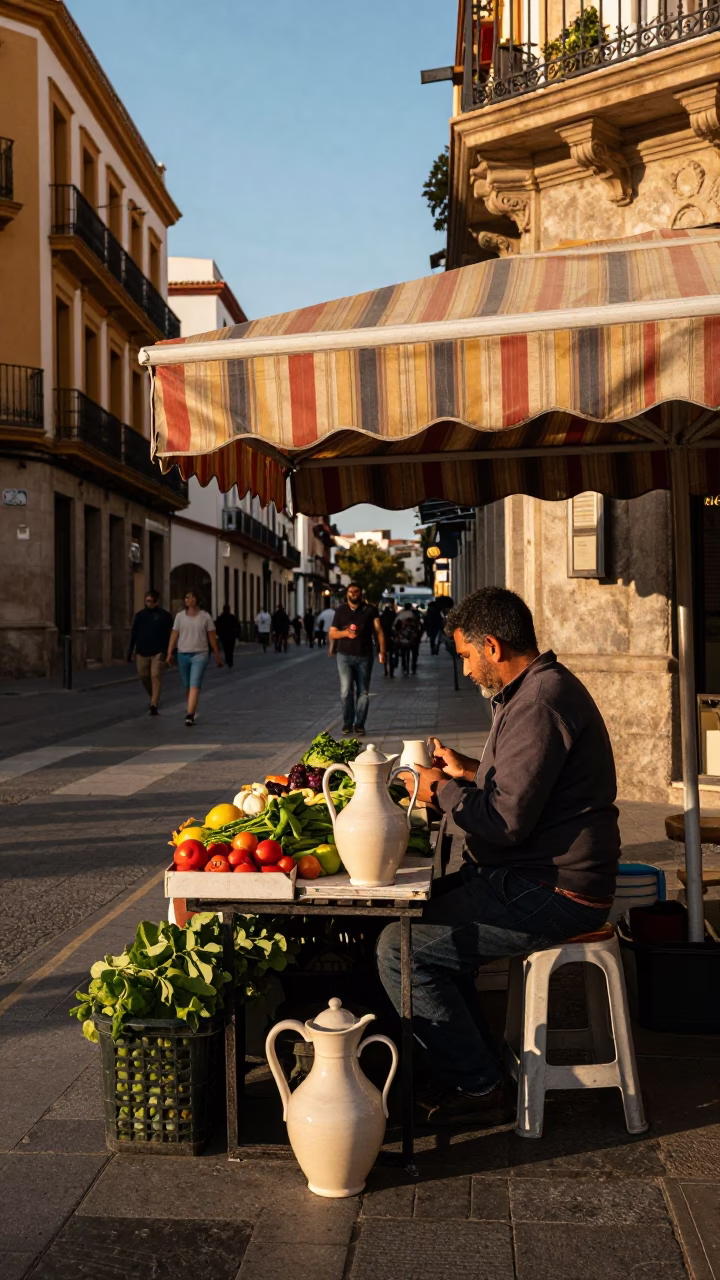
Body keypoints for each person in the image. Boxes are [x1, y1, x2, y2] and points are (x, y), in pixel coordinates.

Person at [376, 586, 620, 1128]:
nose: (465, 669)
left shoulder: (540, 700)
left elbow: (507, 821)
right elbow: (518, 786)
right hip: (527, 875)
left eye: (466, 655)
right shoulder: (532, 691)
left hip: (555, 890)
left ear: (491, 645)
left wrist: (441, 790)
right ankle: (469, 1059)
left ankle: (477, 1083)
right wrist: (467, 771)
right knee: (416, 915)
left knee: (401, 948)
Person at [329, 582, 386, 736]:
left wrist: (382, 651)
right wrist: (345, 634)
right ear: (347, 594)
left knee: (363, 692)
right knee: (346, 690)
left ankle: (359, 724)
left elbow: (379, 631)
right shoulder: (341, 610)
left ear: (361, 593)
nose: (353, 593)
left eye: (356, 591)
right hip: (344, 656)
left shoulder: (370, 610)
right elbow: (332, 634)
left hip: (365, 655)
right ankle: (347, 723)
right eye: (351, 591)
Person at [167, 591, 222, 726]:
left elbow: (211, 637)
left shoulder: (205, 617)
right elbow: (174, 635)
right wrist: (169, 653)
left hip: (200, 654)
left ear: (197, 599)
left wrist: (217, 654)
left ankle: (189, 714)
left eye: (191, 597)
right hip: (182, 654)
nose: (188, 599)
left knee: (194, 684)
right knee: (187, 686)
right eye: (186, 597)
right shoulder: (180, 617)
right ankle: (191, 708)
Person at [127, 590, 173, 715]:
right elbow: (134, 634)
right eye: (146, 601)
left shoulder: (164, 616)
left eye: (150, 601)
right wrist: (130, 651)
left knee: (155, 676)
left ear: (156, 602)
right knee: (143, 675)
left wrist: (169, 651)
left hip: (158, 652)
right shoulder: (140, 615)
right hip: (141, 651)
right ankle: (153, 695)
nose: (147, 603)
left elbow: (171, 634)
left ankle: (154, 704)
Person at [393, 605, 421, 676]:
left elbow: (395, 625)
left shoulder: (400, 614)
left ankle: (404, 664)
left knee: (402, 650)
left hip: (403, 637)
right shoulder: (413, 614)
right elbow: (419, 626)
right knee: (414, 650)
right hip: (411, 637)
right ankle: (413, 665)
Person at [215, 603, 239, 668]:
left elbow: (217, 626)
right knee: (230, 649)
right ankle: (230, 660)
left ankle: (228, 659)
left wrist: (218, 634)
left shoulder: (220, 618)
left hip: (224, 636)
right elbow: (237, 626)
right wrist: (237, 635)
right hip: (231, 636)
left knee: (226, 648)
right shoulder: (232, 617)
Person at [379, 602, 396, 678]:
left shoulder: (381, 617)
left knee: (384, 654)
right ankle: (391, 670)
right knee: (392, 654)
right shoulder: (393, 615)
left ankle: (385, 670)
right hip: (392, 637)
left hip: (383, 638)